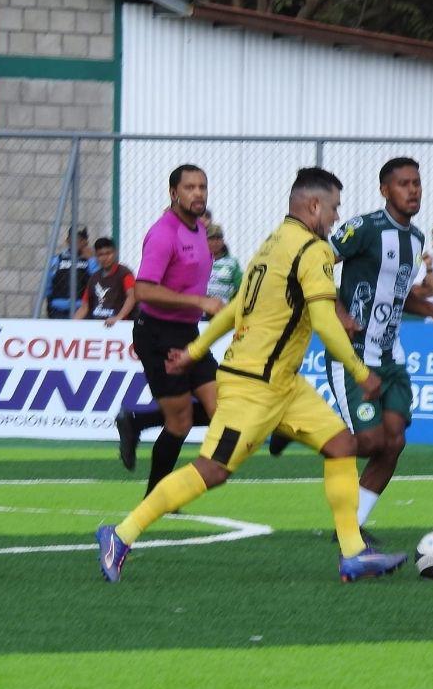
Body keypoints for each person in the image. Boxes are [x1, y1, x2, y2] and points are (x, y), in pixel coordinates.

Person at [95, 167, 408, 583]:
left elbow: (236, 306)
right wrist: (358, 370)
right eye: (333, 208)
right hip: (253, 385)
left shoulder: (273, 243)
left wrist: (194, 351)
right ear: (314, 206)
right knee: (213, 470)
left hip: (284, 384)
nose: (335, 217)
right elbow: (324, 320)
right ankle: (120, 534)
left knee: (341, 445)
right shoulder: (313, 251)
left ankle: (352, 552)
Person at [293, 158, 433, 537]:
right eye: (403, 183)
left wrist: (432, 309)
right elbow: (314, 264)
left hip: (391, 356)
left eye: (417, 182)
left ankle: (351, 526)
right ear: (385, 190)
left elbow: (396, 294)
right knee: (369, 441)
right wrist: (336, 310)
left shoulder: (417, 239)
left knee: (394, 442)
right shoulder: (364, 228)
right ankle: (312, 434)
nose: (413, 190)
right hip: (352, 355)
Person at [114, 165, 222, 487]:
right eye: (189, 187)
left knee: (221, 411)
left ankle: (138, 420)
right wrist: (200, 303)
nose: (198, 193)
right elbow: (144, 289)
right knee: (180, 423)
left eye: (202, 186)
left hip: (188, 333)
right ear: (174, 193)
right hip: (158, 332)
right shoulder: (163, 233)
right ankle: (155, 499)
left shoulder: (200, 228)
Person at [73, 237, 136, 324]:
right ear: (96, 257)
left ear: (115, 253)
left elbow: (132, 297)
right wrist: (72, 324)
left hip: (119, 327)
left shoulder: (124, 273)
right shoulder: (94, 278)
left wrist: (119, 317)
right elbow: (84, 306)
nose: (105, 258)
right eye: (101, 255)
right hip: (97, 326)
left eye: (108, 253)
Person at [46, 227, 99, 319]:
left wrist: (91, 260)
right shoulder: (57, 259)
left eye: (80, 239)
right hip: (59, 307)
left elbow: (98, 280)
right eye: (74, 239)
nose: (77, 242)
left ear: (86, 242)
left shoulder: (92, 260)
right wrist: (50, 303)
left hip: (82, 308)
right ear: (67, 240)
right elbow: (48, 283)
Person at [205, 223, 243, 306]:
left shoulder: (232, 263)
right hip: (200, 311)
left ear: (223, 241)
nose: (215, 242)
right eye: (211, 239)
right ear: (205, 240)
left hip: (222, 311)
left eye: (218, 239)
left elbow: (241, 286)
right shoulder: (199, 261)